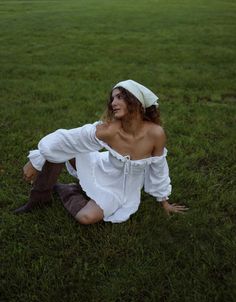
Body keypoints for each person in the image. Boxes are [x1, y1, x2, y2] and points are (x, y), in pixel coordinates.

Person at [14, 79, 187, 224]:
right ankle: (39, 198)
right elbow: (64, 139)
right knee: (63, 148)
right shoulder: (109, 130)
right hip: (99, 166)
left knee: (86, 217)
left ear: (135, 100)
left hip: (118, 191)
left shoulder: (155, 134)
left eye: (120, 97)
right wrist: (37, 160)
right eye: (112, 99)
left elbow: (159, 169)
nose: (113, 103)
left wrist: (164, 201)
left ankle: (65, 189)